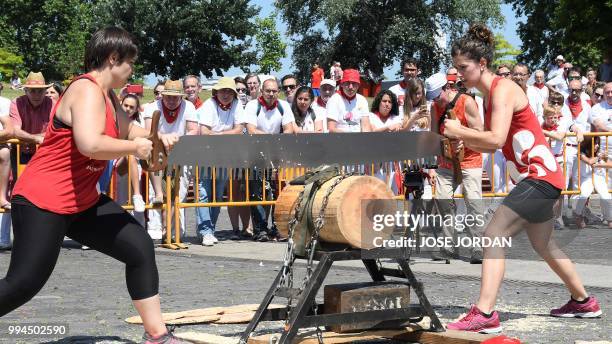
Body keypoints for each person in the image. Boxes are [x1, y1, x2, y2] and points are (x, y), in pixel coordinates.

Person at [1, 27, 185, 343]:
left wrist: (156, 138)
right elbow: (89, 143)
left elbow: (130, 131)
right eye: (130, 63)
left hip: (81, 200)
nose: (132, 71)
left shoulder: (109, 96)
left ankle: (158, 336)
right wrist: (135, 149)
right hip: (42, 200)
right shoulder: (85, 90)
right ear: (113, 58)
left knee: (139, 247)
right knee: (24, 283)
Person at [443, 24, 601, 334]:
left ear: (482, 64)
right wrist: (468, 140)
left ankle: (485, 313)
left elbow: (495, 137)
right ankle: (583, 302)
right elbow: (496, 142)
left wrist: (460, 131)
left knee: (492, 234)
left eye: (463, 67)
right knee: (544, 245)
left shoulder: (503, 90)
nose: (459, 74)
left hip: (539, 179)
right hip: (542, 179)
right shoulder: (490, 98)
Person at [427, 72, 485, 264]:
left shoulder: (467, 102)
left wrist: (464, 140)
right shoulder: (435, 107)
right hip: (446, 161)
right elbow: (434, 136)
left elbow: (479, 132)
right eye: (433, 98)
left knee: (474, 202)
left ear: (446, 88)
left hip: (470, 158)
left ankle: (478, 247)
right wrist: (438, 155)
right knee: (443, 199)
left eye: (437, 96)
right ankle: (447, 245)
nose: (436, 100)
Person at [143, 80, 198, 241]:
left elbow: (194, 130)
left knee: (177, 195)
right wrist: (164, 139)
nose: (172, 100)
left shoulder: (189, 107)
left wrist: (177, 141)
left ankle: (173, 231)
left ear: (181, 97)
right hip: (157, 152)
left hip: (181, 152)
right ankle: (155, 228)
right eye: (169, 97)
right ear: (163, 95)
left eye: (176, 97)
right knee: (157, 194)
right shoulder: (152, 107)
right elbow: (148, 131)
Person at [243, 78, 295, 242]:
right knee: (257, 192)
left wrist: (274, 143)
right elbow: (251, 130)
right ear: (261, 91)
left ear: (278, 91)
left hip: (277, 155)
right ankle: (260, 230)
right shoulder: (252, 105)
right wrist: (274, 139)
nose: (271, 94)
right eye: (268, 91)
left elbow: (289, 129)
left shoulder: (283, 106)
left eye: (274, 91)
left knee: (279, 192)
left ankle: (278, 228)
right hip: (256, 154)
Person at [196, 77, 244, 245]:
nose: (226, 94)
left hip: (225, 155)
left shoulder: (237, 105)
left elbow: (239, 129)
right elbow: (204, 131)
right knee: (204, 192)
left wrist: (220, 134)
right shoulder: (209, 105)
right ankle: (205, 230)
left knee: (217, 193)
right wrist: (227, 132)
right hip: (206, 154)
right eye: (223, 91)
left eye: (229, 91)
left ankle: (210, 229)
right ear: (216, 92)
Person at [116, 94, 146, 213]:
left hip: (132, 163)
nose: (128, 109)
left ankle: (137, 195)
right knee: (120, 200)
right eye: (125, 105)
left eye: (131, 107)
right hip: (115, 160)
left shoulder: (138, 125)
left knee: (130, 154)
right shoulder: (113, 120)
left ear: (136, 109)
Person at [573, 136, 611, 229]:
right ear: (589, 144)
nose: (597, 146)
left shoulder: (600, 153)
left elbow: (610, 164)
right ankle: (578, 215)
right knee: (584, 194)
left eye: (598, 143)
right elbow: (590, 161)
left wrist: (603, 160)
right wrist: (599, 157)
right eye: (595, 143)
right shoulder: (581, 152)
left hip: (598, 177)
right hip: (586, 178)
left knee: (605, 195)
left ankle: (610, 218)